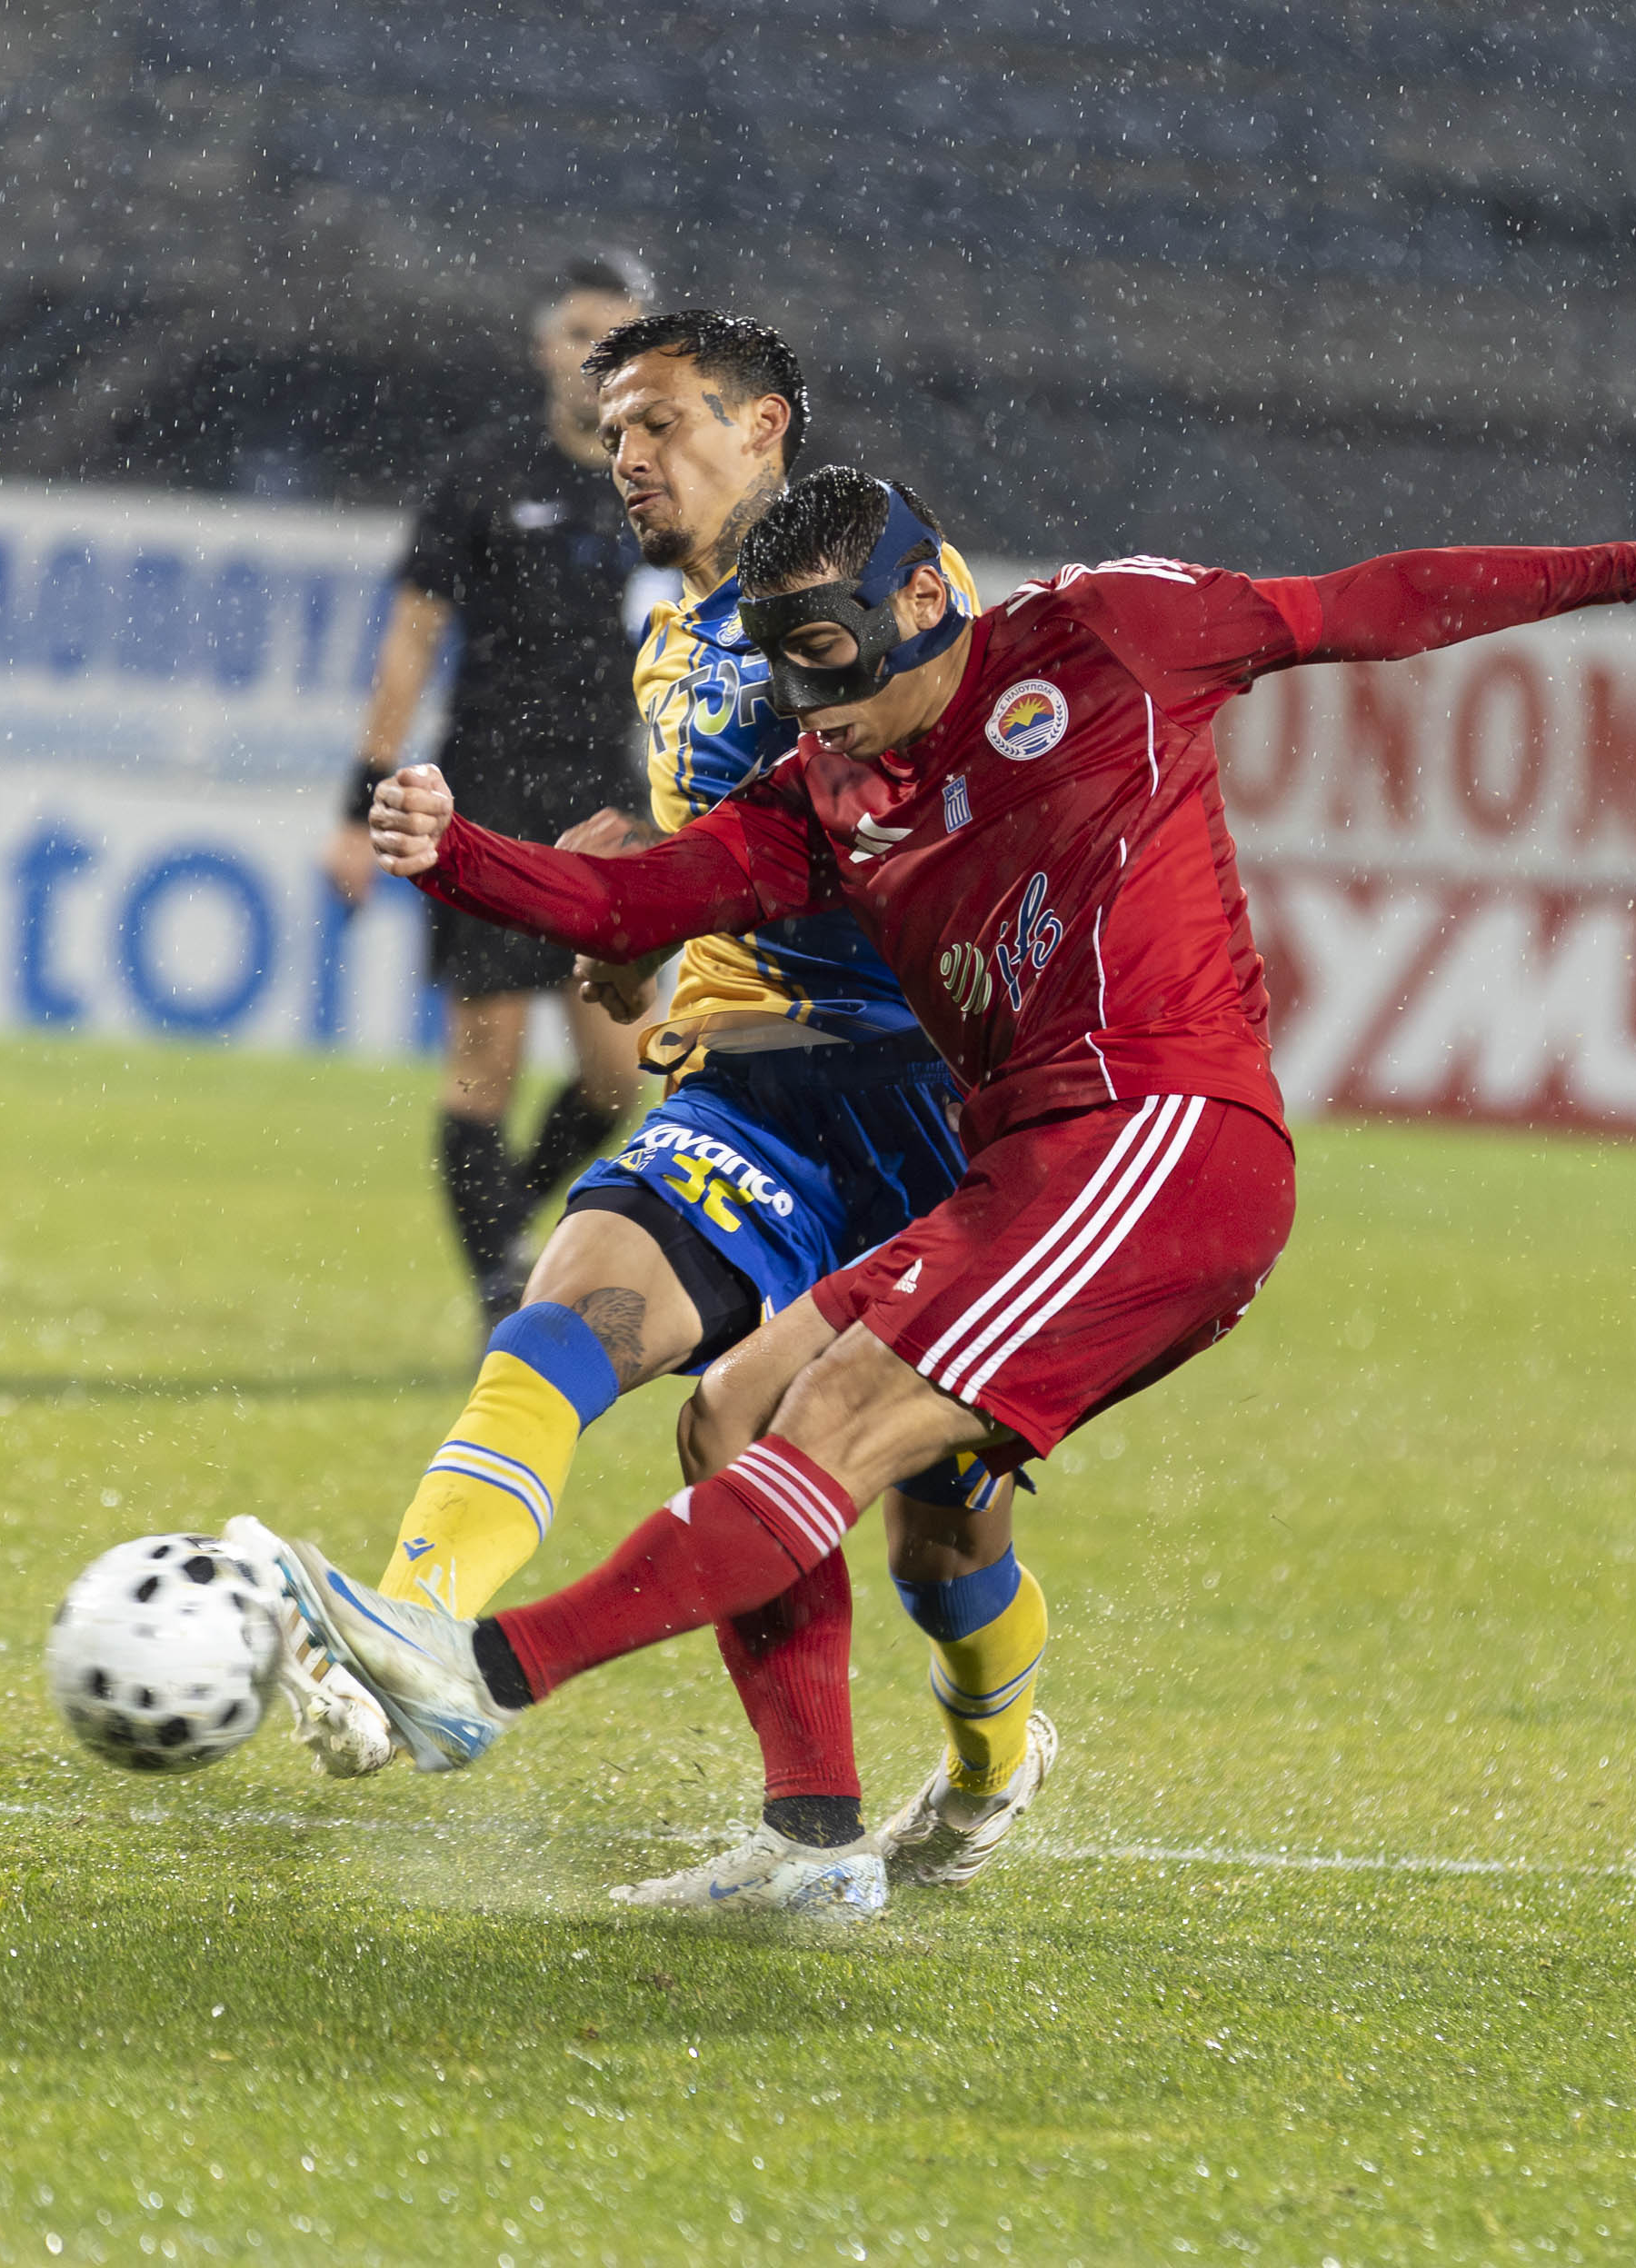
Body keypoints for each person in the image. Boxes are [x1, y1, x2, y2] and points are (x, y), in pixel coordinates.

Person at [285, 467, 1636, 1914]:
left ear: (922, 597)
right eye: (785, 667)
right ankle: (816, 1844)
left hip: (1166, 1136)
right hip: (1024, 1167)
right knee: (737, 1413)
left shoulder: (1108, 632)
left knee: (836, 1424)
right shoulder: (824, 793)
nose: (812, 700)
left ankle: (479, 1674)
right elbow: (634, 903)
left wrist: (1628, 569)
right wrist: (451, 854)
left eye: (829, 653)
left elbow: (1362, 604)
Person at [286, 318, 1052, 1922]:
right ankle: (424, 1630)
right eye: (612, 426)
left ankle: (990, 1763)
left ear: (762, 425)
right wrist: (631, 929)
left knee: (942, 1546)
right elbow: (702, 886)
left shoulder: (890, 597)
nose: (623, 454)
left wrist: (641, 886)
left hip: (940, 1115)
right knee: (588, 1316)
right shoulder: (674, 645)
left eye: (658, 423)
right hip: (757, 1097)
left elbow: (932, 836)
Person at [328, 254, 657, 1324]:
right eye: (581, 333)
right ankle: (500, 1291)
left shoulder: (665, 489)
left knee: (618, 1076)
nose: (598, 355)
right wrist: (357, 809)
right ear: (544, 348)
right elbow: (411, 640)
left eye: (620, 337)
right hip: (491, 797)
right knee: (486, 1061)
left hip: (608, 804)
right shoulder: (484, 476)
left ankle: (502, 1227)